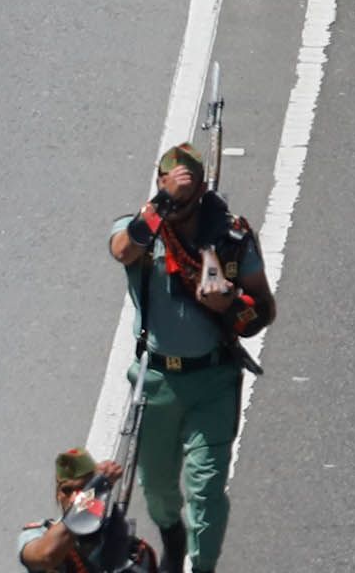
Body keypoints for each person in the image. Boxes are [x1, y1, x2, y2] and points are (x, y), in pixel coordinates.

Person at [106, 147, 274, 573]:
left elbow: (263, 309)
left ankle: (202, 567)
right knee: (158, 488)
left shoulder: (230, 237)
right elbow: (122, 250)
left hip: (213, 380)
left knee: (206, 488)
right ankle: (172, 535)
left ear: (202, 190)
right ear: (159, 184)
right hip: (158, 380)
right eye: (171, 196)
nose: (179, 209)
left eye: (187, 199)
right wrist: (160, 207)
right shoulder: (142, 231)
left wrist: (230, 303)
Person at [17, 448, 159, 573]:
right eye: (67, 490)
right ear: (58, 495)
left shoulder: (126, 544)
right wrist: (89, 498)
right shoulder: (38, 534)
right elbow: (46, 556)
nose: (74, 497)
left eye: (83, 490)